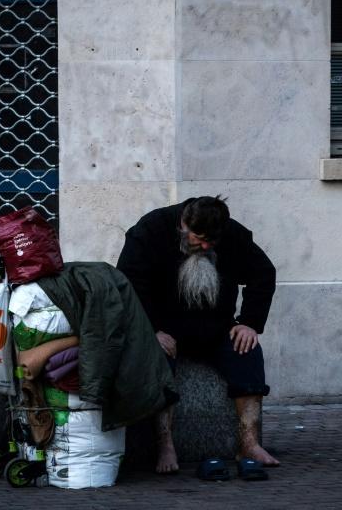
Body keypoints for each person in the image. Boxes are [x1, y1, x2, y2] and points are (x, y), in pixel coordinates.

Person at [116, 195, 279, 473]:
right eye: (199, 239)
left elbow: (263, 272)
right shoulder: (150, 230)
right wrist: (151, 330)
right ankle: (165, 445)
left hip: (217, 327)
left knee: (247, 350)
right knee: (157, 360)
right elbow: (128, 283)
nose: (205, 247)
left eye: (211, 243)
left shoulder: (231, 234)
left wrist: (250, 322)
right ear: (183, 225)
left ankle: (249, 444)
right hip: (165, 329)